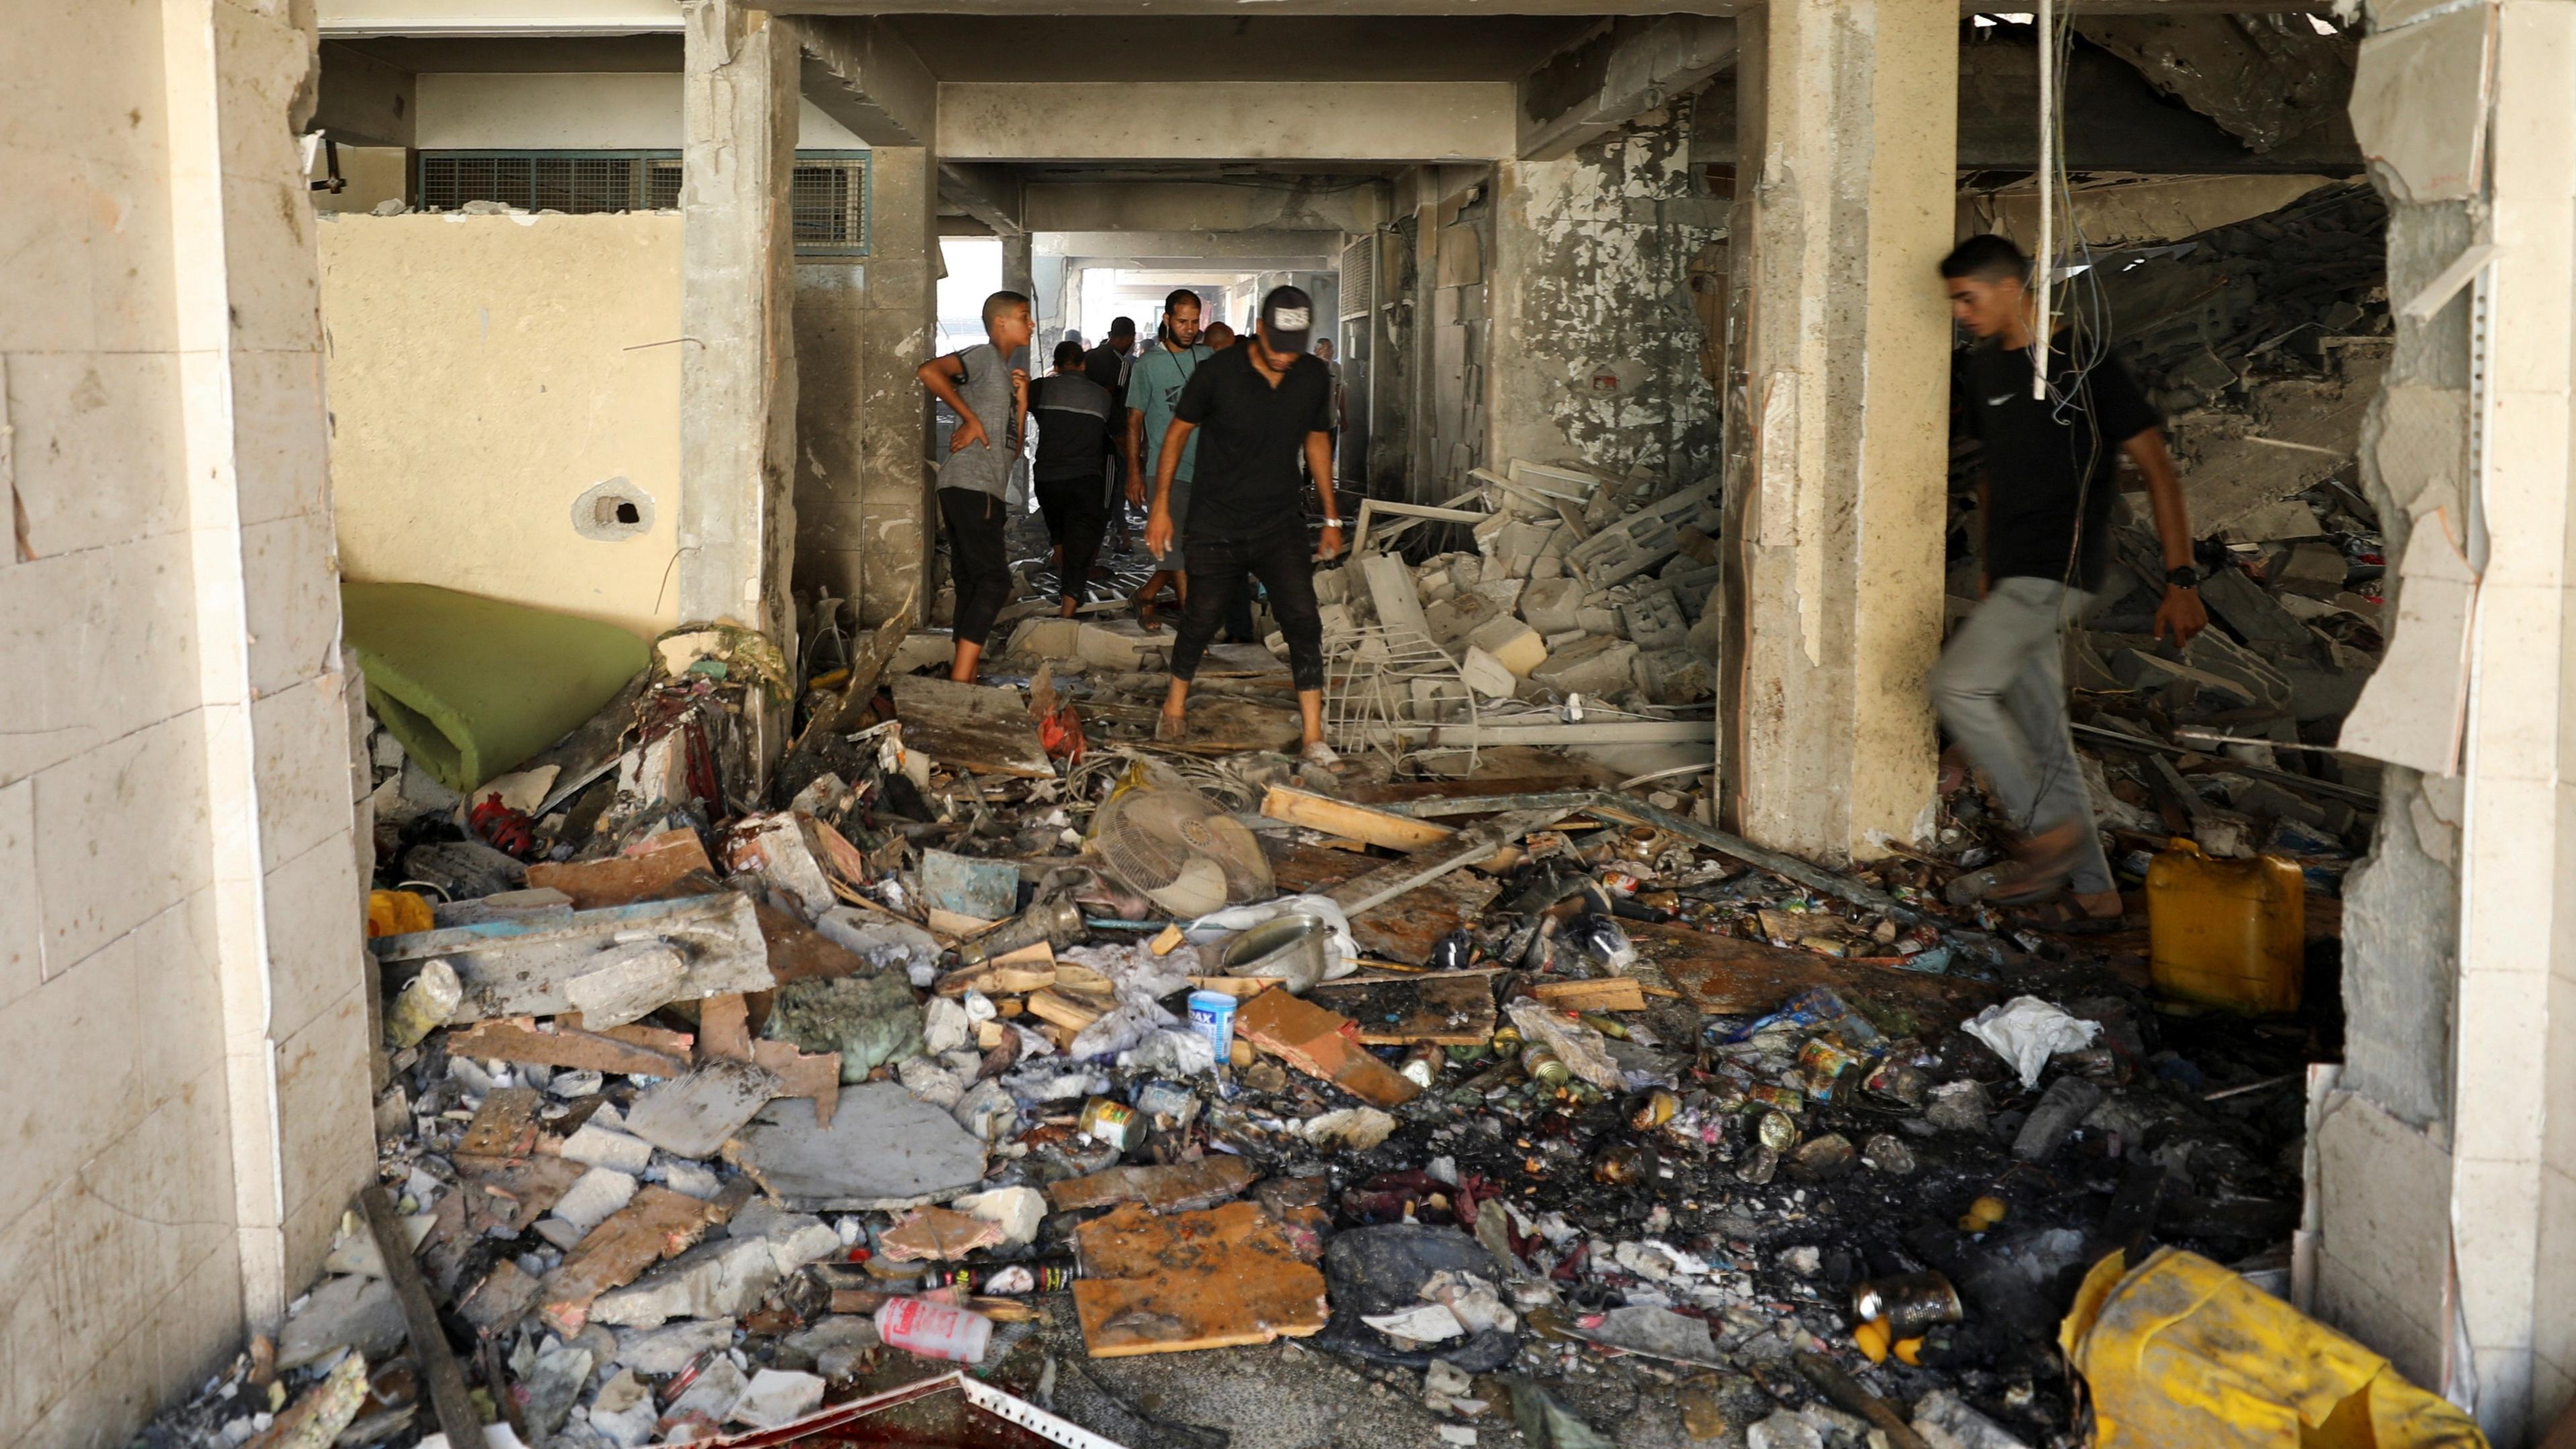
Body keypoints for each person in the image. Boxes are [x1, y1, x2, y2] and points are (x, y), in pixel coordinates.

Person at [1932, 234, 2207, 920]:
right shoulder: (1984, 369)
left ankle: (2046, 833)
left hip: (2061, 565)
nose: (1962, 312)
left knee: (1956, 684)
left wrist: (2182, 579)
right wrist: (1992, 573)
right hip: (2016, 572)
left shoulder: (2084, 361)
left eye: (1969, 298)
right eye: (1955, 301)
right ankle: (2097, 895)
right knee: (2043, 730)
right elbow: (1998, 477)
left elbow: (2158, 471)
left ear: (2009, 289)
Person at [1145, 284, 1344, 765]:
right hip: (1217, 521)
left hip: (1280, 523)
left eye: (1292, 351)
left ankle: (1314, 736)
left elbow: (1317, 442)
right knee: (1200, 619)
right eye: (1276, 347)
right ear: (1259, 331)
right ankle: (1174, 706)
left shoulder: (1313, 376)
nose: (1283, 359)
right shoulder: (1218, 373)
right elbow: (1176, 435)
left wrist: (1331, 516)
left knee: (1302, 619)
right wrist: (1161, 505)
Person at [916, 290, 1032, 684]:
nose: (1030, 323)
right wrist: (969, 419)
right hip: (971, 485)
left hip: (982, 487)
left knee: (971, 582)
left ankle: (963, 669)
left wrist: (1022, 399)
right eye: (1023, 316)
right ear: (1001, 322)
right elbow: (929, 371)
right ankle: (961, 679)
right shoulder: (983, 356)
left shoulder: (1002, 373)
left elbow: (1011, 453)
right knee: (995, 582)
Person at [1124, 290, 1211, 631]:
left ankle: (1146, 595)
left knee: (1191, 549)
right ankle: (1194, 629)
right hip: (1165, 469)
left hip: (1205, 470)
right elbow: (1133, 422)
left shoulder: (1207, 358)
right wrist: (1134, 472)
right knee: (1177, 552)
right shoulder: (1148, 365)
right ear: (1167, 320)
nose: (1189, 329)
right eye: (1182, 322)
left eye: (1194, 322)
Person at [1028, 339, 1118, 619]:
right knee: (1080, 544)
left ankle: (1062, 569)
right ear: (1083, 364)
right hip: (1085, 478)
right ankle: (1068, 608)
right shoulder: (1102, 397)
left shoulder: (1041, 388)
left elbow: (1016, 406)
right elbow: (1115, 435)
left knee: (1059, 534)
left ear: (1056, 366)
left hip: (1047, 478)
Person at [1085, 317, 1137, 554]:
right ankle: (1109, 538)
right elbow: (1116, 404)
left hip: (1086, 432)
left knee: (1095, 488)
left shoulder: (1090, 357)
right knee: (1114, 487)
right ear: (1128, 338)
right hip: (1111, 434)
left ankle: (1115, 534)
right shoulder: (1121, 365)